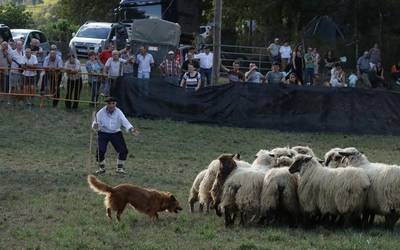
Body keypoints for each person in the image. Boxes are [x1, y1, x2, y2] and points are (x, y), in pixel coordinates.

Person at [92, 96, 139, 175]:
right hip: (103, 133)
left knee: (123, 150)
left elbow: (124, 121)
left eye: (113, 103)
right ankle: (102, 168)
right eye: (109, 104)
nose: (111, 106)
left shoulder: (118, 112)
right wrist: (95, 126)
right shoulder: (101, 112)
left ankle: (119, 168)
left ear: (115, 104)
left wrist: (131, 129)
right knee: (100, 151)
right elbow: (95, 122)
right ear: (107, 104)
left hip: (116, 133)